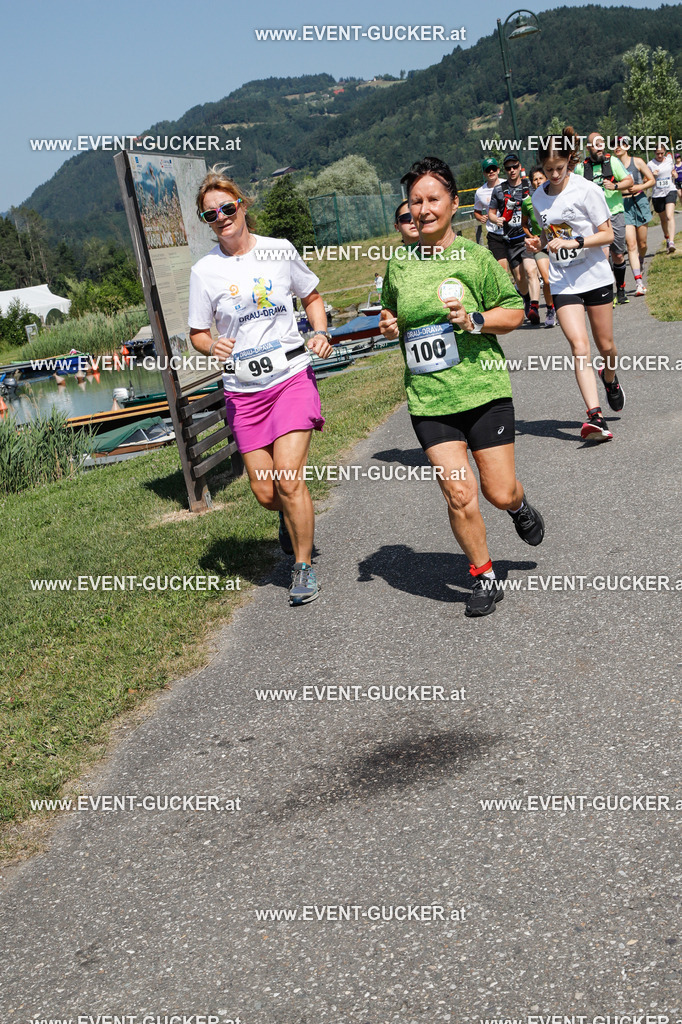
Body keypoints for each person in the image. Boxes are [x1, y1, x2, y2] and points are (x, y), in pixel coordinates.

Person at [379, 156, 545, 619]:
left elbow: (514, 311)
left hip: (483, 392)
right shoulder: (399, 263)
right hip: (429, 399)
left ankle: (519, 506)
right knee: (458, 492)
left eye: (433, 199)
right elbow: (389, 311)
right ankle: (484, 575)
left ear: (454, 203)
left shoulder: (475, 258)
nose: (424, 209)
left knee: (498, 491)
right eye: (416, 202)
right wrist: (388, 323)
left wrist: (475, 320)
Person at [188, 168, 334, 606]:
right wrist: (211, 344)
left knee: (288, 478)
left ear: (242, 205)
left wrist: (320, 331)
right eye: (211, 214)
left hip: (290, 378)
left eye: (227, 208)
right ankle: (287, 516)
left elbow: (311, 296)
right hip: (244, 391)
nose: (221, 217)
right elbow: (197, 333)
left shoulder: (278, 249)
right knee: (268, 493)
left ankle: (303, 568)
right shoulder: (204, 271)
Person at [529, 127, 624, 443]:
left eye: (559, 168)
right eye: (548, 170)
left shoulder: (586, 190)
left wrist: (577, 242)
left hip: (594, 275)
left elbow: (607, 234)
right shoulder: (538, 197)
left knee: (606, 346)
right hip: (563, 281)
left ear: (569, 160)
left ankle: (609, 378)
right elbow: (549, 234)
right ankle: (595, 416)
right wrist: (539, 244)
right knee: (579, 346)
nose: (554, 175)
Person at [574, 132, 633, 304]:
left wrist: (615, 185)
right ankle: (607, 294)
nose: (600, 148)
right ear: (589, 148)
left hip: (614, 213)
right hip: (594, 219)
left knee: (618, 255)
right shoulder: (581, 168)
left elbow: (629, 181)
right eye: (596, 145)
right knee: (603, 256)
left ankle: (620, 288)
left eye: (601, 144)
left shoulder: (612, 161)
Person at [488, 153, 541, 324]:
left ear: (519, 167)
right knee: (519, 278)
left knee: (531, 271)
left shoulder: (529, 185)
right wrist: (496, 219)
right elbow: (491, 213)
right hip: (510, 240)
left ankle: (534, 307)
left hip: (527, 238)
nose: (512, 170)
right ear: (505, 170)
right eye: (508, 168)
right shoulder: (499, 190)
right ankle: (526, 299)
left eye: (515, 166)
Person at [614, 137, 655, 295]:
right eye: (614, 145)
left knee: (642, 244)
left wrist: (639, 186)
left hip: (639, 201)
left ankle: (641, 260)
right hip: (623, 205)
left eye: (621, 144)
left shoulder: (637, 162)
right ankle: (639, 283)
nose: (617, 147)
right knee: (631, 245)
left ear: (627, 146)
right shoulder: (612, 165)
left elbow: (651, 180)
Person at [523, 166, 557, 327]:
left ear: (546, 179)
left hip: (558, 243)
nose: (537, 182)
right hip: (541, 244)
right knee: (547, 280)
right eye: (534, 179)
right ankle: (550, 309)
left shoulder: (555, 197)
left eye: (540, 178)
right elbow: (524, 224)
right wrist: (532, 237)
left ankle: (564, 306)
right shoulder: (528, 202)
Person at [473, 158, 508, 269]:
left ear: (498, 170)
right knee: (502, 269)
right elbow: (477, 211)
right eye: (488, 170)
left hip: (511, 230)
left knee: (517, 270)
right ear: (484, 173)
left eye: (493, 169)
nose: (491, 172)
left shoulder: (506, 184)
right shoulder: (480, 192)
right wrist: (480, 217)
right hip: (494, 233)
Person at [647, 145, 677, 253]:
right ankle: (667, 238)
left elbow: (673, 172)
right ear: (654, 153)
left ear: (664, 152)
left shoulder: (669, 161)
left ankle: (672, 242)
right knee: (663, 219)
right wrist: (652, 175)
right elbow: (646, 179)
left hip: (670, 190)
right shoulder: (650, 164)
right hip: (657, 194)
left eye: (662, 153)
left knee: (669, 216)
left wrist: (674, 174)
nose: (660, 155)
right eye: (657, 153)